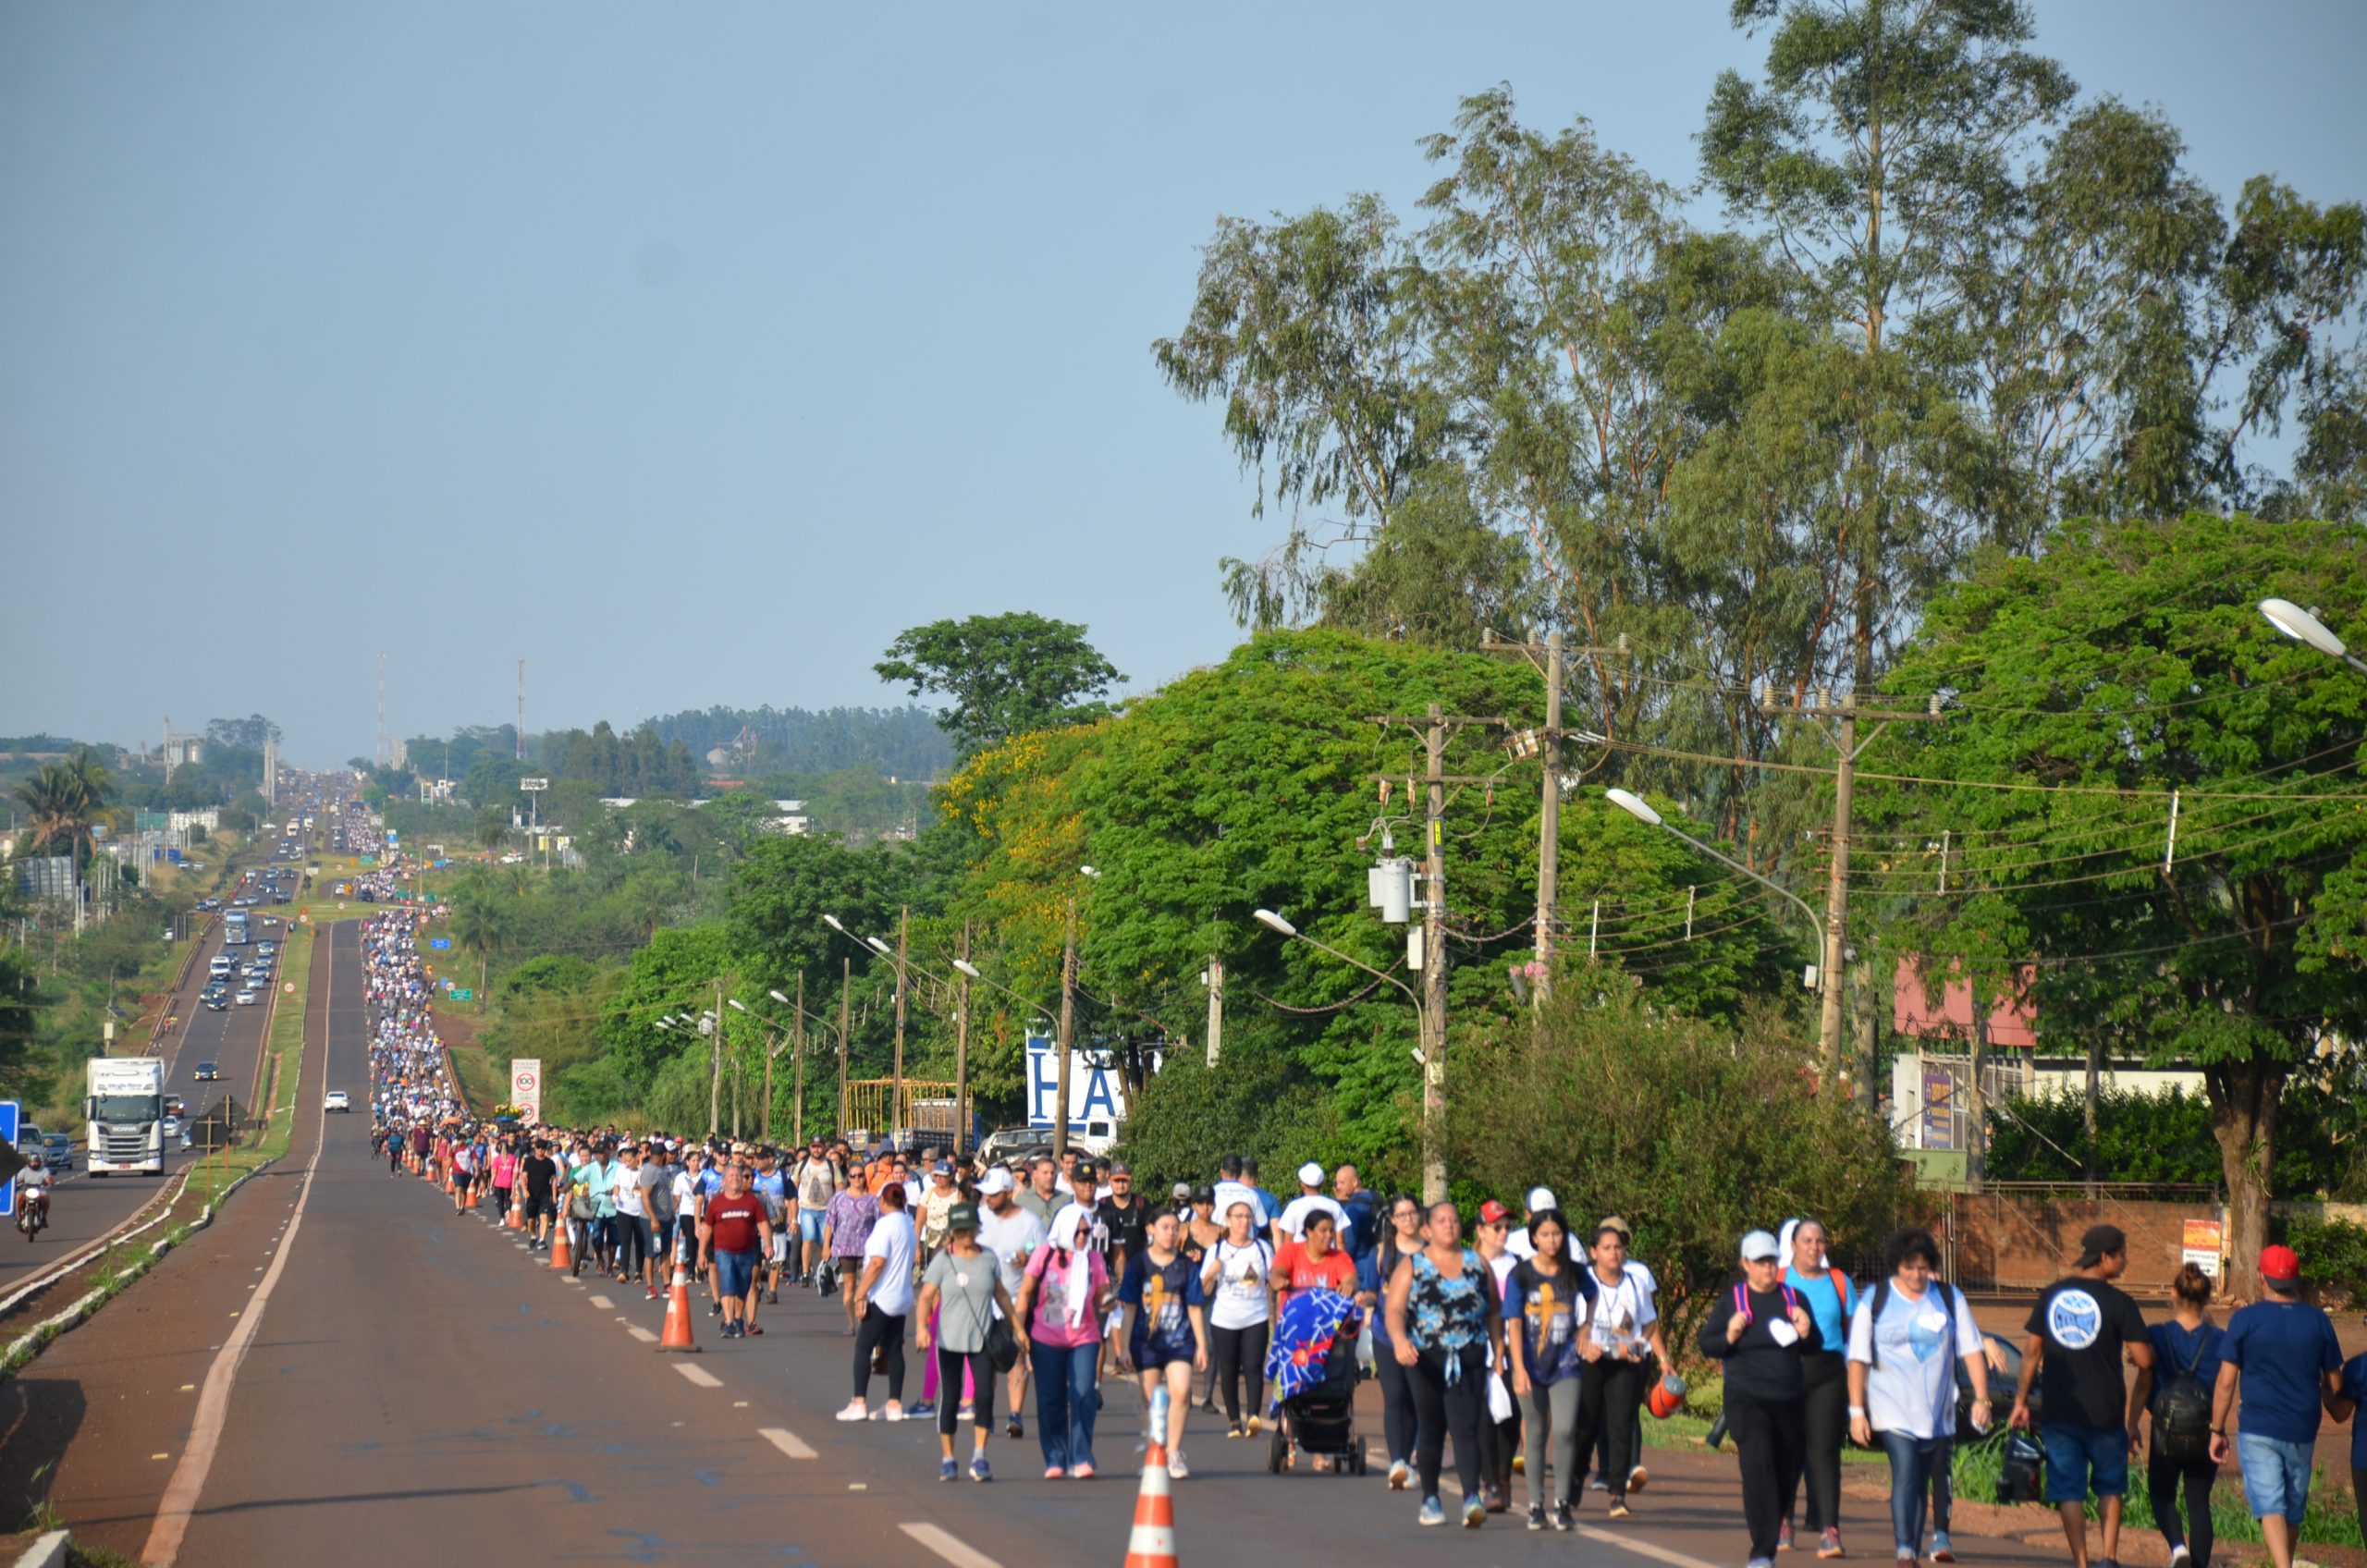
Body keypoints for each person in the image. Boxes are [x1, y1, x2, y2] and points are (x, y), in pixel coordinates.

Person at [2010, 1223, 2156, 1568]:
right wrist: (2133, 1420)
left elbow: (2032, 1353)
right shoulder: (2121, 1303)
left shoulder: (2051, 1295)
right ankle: (2109, 1557)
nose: (2125, 1262)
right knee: (2110, 1487)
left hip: (2060, 1411)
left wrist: (2020, 1401)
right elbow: (2147, 1362)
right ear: (2105, 1256)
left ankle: (2081, 1561)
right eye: (2122, 1256)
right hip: (2106, 1413)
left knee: (2068, 1490)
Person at [1846, 1226, 1992, 1568]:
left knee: (1927, 1476)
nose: (1916, 1275)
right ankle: (1905, 1549)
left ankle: (1923, 1539)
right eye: (1909, 1267)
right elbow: (1857, 1359)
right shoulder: (1876, 1299)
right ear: (1896, 1264)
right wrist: (1856, 1410)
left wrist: (1982, 1398)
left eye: (1923, 1267)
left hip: (1937, 1411)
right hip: (1890, 1406)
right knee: (1906, 1472)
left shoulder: (1949, 1297)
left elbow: (1971, 1350)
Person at [2209, 1243, 2342, 1568]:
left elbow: (2226, 1382)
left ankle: (2283, 1565)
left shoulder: (2244, 1320)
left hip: (2258, 1427)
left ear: (2261, 1278)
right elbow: (2336, 1383)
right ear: (2296, 1279)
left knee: (2271, 1504)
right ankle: (2285, 1563)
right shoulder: (2318, 1322)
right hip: (2302, 1427)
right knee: (2293, 1506)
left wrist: (2216, 1429)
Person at [1701, 1229, 1821, 1568]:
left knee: (1784, 1475)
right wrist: (1729, 1334)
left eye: (1772, 1262)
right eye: (1760, 1263)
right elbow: (1707, 1344)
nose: (1768, 1269)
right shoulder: (1733, 1300)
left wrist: (1806, 1331)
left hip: (1789, 1400)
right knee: (1757, 1471)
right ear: (1745, 1264)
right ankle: (1762, 1552)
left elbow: (1814, 1346)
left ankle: (1776, 1521)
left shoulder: (1794, 1298)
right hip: (1746, 1399)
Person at [1384, 1200, 1502, 1530]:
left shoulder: (1477, 1262)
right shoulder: (1413, 1266)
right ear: (1427, 1229)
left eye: (1454, 1220)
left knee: (1467, 1427)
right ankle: (1431, 1498)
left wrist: (1501, 1351)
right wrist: (1399, 1341)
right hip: (1425, 1358)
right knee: (1432, 1426)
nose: (1449, 1225)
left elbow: (1494, 1310)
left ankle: (1471, 1498)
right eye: (1441, 1221)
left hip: (1470, 1357)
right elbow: (1393, 1311)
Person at [916, 1200, 1019, 1483]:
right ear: (953, 1232)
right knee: (950, 1398)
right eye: (960, 1231)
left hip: (982, 1337)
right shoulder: (943, 1260)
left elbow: (1001, 1294)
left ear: (977, 1229)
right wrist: (921, 1329)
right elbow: (926, 1296)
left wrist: (1018, 1327)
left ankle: (979, 1455)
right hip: (949, 1339)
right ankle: (948, 1459)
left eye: (969, 1230)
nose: (965, 1236)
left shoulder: (988, 1258)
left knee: (984, 1396)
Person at [2130, 1263, 2225, 1568]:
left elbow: (2144, 1380)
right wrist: (2220, 1430)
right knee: (2198, 1503)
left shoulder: (2156, 1334)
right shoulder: (2220, 1339)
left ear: (2172, 1294)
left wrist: (2130, 1424)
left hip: (2165, 1430)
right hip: (2205, 1430)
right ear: (2209, 1298)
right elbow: (2225, 1384)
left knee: (2162, 1495)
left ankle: (2178, 1549)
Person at [1503, 1208, 1592, 1532]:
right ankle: (1535, 1504)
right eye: (1545, 1234)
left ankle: (1563, 1502)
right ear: (1533, 1238)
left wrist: (1586, 1327)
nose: (1551, 1240)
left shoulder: (1575, 1271)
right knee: (1536, 1433)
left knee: (1567, 1429)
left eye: (1557, 1234)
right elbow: (1513, 1323)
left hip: (1566, 1363)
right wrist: (1518, 1369)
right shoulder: (1521, 1275)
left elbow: (1594, 1297)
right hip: (1530, 1364)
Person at [1783, 1217, 1861, 1558]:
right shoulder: (1778, 1280)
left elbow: (1855, 1334)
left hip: (1829, 1370)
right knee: (1786, 1449)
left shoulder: (1839, 1281)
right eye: (1807, 1241)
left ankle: (1830, 1530)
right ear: (1793, 1246)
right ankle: (1783, 1519)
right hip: (1786, 1371)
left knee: (1825, 1450)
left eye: (1820, 1241)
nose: (1814, 1247)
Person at [1015, 1205, 1112, 1479]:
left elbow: (1102, 1292)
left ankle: (1081, 1455)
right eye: (1078, 1232)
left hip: (1084, 1336)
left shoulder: (1093, 1258)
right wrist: (1019, 1329)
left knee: (1084, 1393)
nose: (1083, 1237)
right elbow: (1025, 1292)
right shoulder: (1043, 1255)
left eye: (1086, 1231)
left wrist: (1108, 1301)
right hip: (1046, 1337)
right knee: (1050, 1398)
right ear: (1064, 1230)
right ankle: (1055, 1457)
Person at [1578, 1216, 1666, 1516]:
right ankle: (1575, 1481)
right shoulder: (1583, 1282)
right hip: (1591, 1362)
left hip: (1625, 1362)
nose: (1614, 1253)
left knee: (1621, 1424)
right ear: (1594, 1252)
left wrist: (1651, 1352)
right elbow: (1574, 1325)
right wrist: (1585, 1344)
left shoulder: (1635, 1283)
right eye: (1607, 1247)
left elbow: (1650, 1323)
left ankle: (1618, 1493)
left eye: (1618, 1247)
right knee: (1586, 1425)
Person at [1115, 1208, 1208, 1479]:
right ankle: (1156, 1449)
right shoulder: (1138, 1265)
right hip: (1146, 1341)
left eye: (1174, 1227)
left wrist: (1202, 1345)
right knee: (1151, 1399)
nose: (1170, 1232)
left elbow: (1194, 1308)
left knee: (1181, 1392)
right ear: (1150, 1229)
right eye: (1165, 1227)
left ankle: (1174, 1452)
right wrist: (1123, 1349)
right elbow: (1130, 1308)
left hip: (1179, 1340)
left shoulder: (1186, 1266)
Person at [975, 1167, 1045, 1440]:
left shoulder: (1030, 1222)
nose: (988, 1199)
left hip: (1016, 1298)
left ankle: (1015, 1414)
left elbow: (1043, 1258)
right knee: (986, 1358)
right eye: (986, 1195)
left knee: (1015, 1354)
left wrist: (1028, 1260)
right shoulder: (979, 1217)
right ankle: (987, 1412)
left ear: (1008, 1193)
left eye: (993, 1195)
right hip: (982, 1299)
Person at [840, 1181, 916, 1421]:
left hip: (883, 1297)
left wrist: (860, 1293)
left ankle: (859, 1401)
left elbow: (877, 1263)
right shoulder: (908, 1224)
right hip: (902, 1296)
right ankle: (894, 1404)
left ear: (883, 1201)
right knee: (894, 1348)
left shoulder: (885, 1226)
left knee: (863, 1346)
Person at [1201, 1198, 1275, 1439]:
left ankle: (1253, 1416)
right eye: (1238, 1216)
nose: (1243, 1221)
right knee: (1229, 1369)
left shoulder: (1263, 1249)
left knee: (1254, 1366)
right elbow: (1203, 1289)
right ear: (1228, 1221)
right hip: (1225, 1319)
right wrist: (1211, 1272)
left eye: (1247, 1217)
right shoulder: (1217, 1250)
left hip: (1256, 1316)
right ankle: (1234, 1420)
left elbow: (1274, 1281)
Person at [695, 1159, 772, 1342]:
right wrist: (701, 1252)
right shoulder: (716, 1203)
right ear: (723, 1181)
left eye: (738, 1175)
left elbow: (762, 1223)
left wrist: (768, 1244)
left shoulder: (752, 1201)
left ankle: (738, 1319)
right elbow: (707, 1229)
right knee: (728, 1286)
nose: (736, 1179)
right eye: (731, 1176)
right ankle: (728, 1322)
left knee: (742, 1288)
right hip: (723, 1251)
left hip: (747, 1251)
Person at [823, 1162, 881, 1335]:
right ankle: (851, 1323)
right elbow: (830, 1223)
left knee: (866, 1285)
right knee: (849, 1286)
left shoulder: (873, 1200)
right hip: (844, 1246)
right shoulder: (838, 1198)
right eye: (853, 1176)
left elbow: (880, 1224)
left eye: (860, 1175)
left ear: (865, 1177)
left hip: (867, 1249)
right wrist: (826, 1245)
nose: (857, 1179)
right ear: (848, 1178)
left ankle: (864, 1320)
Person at [793, 1137, 839, 1286]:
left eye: (819, 1146)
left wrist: (838, 1207)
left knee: (823, 1242)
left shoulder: (831, 1166)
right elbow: (794, 1186)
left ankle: (822, 1272)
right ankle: (805, 1273)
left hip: (826, 1210)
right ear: (809, 1147)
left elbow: (839, 1186)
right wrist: (792, 1213)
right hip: (806, 1208)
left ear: (824, 1148)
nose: (816, 1150)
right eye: (814, 1146)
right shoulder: (802, 1165)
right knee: (809, 1237)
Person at [1275, 1160, 1349, 1244]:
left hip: (1300, 1256)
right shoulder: (1334, 1206)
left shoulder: (1294, 1206)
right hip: (1328, 1255)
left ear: (1302, 1185)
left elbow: (1288, 1241)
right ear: (1322, 1184)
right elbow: (1340, 1240)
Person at [521, 1139, 558, 1250]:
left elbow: (554, 1180)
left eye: (543, 1148)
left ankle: (542, 1240)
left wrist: (554, 1196)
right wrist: (524, 1189)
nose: (540, 1150)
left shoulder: (550, 1163)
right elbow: (523, 1177)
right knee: (531, 1220)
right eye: (538, 1148)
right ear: (535, 1148)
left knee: (544, 1217)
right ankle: (533, 1236)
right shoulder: (529, 1161)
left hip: (545, 1195)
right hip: (531, 1194)